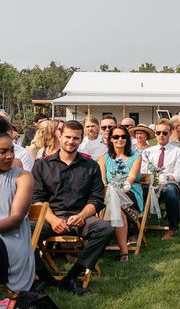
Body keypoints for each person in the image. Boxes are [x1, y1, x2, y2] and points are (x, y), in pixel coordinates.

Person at [31, 121, 111, 296]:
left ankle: (72, 276)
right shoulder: (41, 165)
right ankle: (44, 276)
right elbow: (37, 199)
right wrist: (52, 220)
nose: (71, 141)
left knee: (104, 229)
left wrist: (82, 216)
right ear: (59, 136)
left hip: (80, 217)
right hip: (49, 216)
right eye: (68, 137)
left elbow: (96, 199)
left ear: (81, 140)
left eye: (76, 138)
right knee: (22, 232)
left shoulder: (91, 166)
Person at [97, 125, 143, 263]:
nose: (120, 139)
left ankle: (100, 246)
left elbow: (131, 177)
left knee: (115, 200)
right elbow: (103, 180)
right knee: (116, 205)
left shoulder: (136, 156)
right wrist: (109, 190)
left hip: (130, 193)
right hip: (110, 196)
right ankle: (124, 251)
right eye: (116, 136)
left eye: (123, 136)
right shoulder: (103, 158)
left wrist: (118, 189)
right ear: (110, 139)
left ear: (127, 139)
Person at [0, 132, 35, 294]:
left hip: (11, 239)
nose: (9, 156)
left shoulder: (23, 177)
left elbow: (15, 219)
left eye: (12, 150)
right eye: (3, 152)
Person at [141, 119, 180, 241]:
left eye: (164, 133)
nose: (161, 135)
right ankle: (137, 228)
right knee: (137, 192)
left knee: (170, 190)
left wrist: (166, 177)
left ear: (171, 133)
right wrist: (152, 179)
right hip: (150, 184)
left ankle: (173, 228)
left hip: (168, 183)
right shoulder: (147, 152)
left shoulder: (177, 151)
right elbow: (143, 172)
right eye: (158, 132)